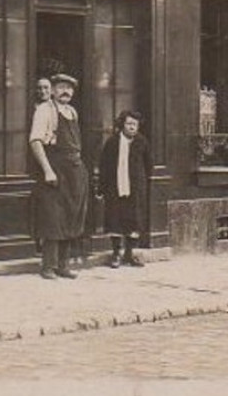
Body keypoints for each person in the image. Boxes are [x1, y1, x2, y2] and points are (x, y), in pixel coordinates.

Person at [27, 73, 89, 280]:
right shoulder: (45, 111)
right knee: (53, 217)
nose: (66, 91)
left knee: (72, 215)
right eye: (61, 87)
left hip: (75, 170)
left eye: (70, 88)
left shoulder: (72, 111)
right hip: (55, 169)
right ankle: (48, 266)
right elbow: (35, 141)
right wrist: (47, 170)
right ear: (52, 90)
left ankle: (64, 265)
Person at [97, 110, 150, 268]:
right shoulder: (112, 142)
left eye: (135, 124)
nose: (132, 127)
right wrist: (102, 187)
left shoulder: (142, 142)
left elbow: (148, 165)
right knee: (115, 220)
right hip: (115, 187)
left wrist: (141, 183)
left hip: (135, 189)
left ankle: (130, 253)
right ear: (122, 125)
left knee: (133, 220)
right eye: (129, 124)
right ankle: (116, 254)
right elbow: (104, 165)